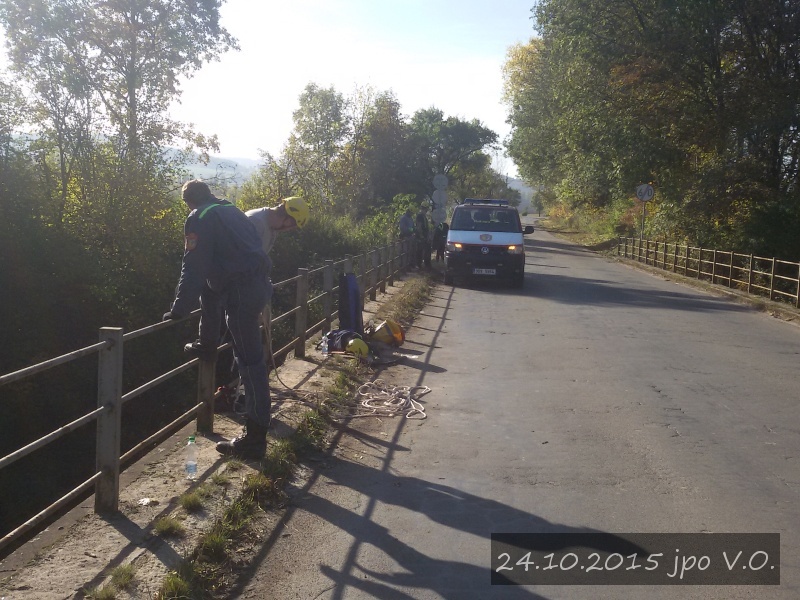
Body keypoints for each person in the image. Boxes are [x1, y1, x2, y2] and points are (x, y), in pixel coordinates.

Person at [163, 179, 271, 460]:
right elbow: (212, 279)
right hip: (258, 286)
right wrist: (207, 340)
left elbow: (193, 266)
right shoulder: (231, 210)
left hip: (241, 293)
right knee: (250, 358)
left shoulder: (198, 217)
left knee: (250, 362)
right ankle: (208, 343)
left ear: (188, 202)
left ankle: (255, 438)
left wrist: (179, 309)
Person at [415, 204, 432, 268]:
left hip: (425, 236)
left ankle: (426, 263)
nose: (426, 211)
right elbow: (419, 227)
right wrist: (421, 236)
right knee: (420, 251)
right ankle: (419, 264)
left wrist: (428, 235)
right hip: (421, 237)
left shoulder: (424, 217)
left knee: (427, 250)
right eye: (425, 209)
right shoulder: (419, 216)